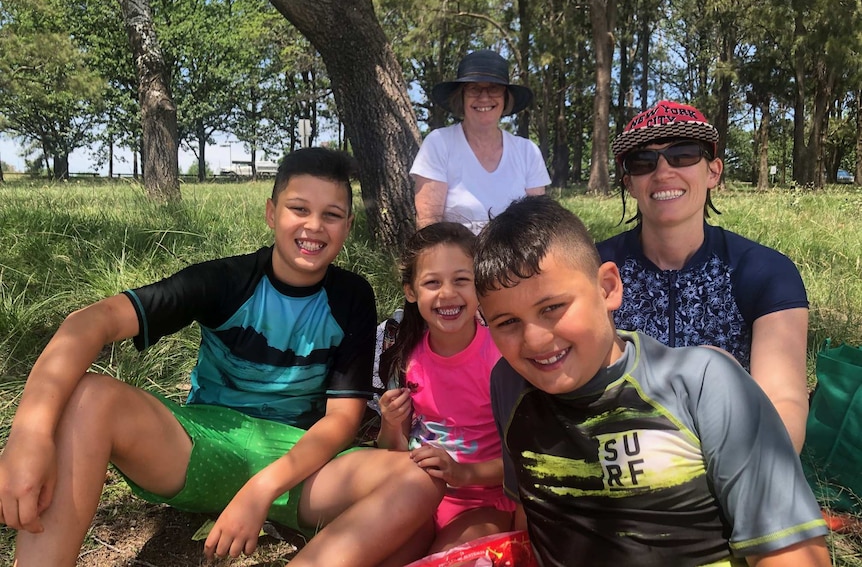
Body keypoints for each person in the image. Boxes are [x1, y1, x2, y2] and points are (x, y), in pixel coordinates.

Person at [0, 147, 444, 567]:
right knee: (92, 396)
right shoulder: (226, 280)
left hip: (300, 467)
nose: (314, 227)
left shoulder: (352, 297)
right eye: (299, 209)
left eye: (332, 215)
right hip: (201, 446)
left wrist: (261, 490)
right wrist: (29, 438)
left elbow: (341, 421)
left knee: (421, 480)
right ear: (272, 213)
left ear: (347, 226)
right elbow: (88, 322)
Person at [473, 195, 830, 567]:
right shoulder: (510, 384)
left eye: (552, 308)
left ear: (609, 287)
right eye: (507, 323)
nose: (535, 340)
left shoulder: (704, 385)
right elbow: (531, 515)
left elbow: (790, 554)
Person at [596, 101, 809, 453]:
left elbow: (783, 406)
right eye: (643, 162)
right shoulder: (597, 268)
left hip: (732, 454)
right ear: (629, 184)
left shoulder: (765, 271)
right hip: (619, 453)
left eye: (682, 155)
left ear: (713, 172)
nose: (663, 172)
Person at [376, 222, 515, 555]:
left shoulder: (502, 358)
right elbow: (392, 451)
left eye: (461, 280)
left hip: (483, 503)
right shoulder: (405, 355)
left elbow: (521, 461)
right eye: (432, 282)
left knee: (445, 561)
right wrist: (391, 422)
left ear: (480, 285)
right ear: (411, 291)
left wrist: (461, 473)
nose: (448, 293)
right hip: (416, 495)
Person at [411, 49, 549, 233]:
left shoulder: (528, 151)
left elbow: (538, 223)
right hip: (455, 260)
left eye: (494, 88)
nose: (484, 97)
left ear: (506, 96)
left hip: (516, 258)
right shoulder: (439, 143)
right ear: (461, 96)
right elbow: (428, 225)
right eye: (474, 88)